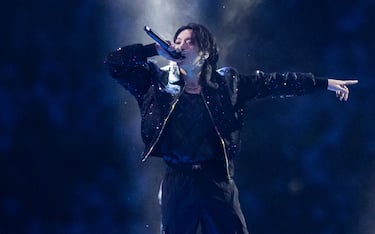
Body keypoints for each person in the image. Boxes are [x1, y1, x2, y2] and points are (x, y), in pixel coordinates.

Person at [104, 23, 358, 234]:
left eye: (187, 41)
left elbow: (274, 83)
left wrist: (322, 83)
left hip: (216, 178)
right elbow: (114, 63)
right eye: (176, 41)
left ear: (205, 50)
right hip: (178, 178)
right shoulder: (156, 82)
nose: (179, 46)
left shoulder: (228, 84)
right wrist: (153, 49)